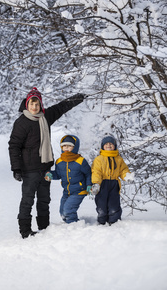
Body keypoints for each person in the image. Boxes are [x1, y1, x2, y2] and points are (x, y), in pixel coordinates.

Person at [8, 87, 86, 238]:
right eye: (32, 104)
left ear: (40, 105)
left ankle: (44, 228)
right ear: (27, 104)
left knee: (44, 199)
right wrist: (16, 169)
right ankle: (25, 231)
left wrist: (79, 97)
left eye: (37, 105)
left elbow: (62, 107)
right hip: (29, 169)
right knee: (27, 200)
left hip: (45, 168)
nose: (34, 107)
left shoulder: (45, 117)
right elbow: (14, 146)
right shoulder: (21, 122)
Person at [45, 135, 92, 224]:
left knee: (68, 210)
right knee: (62, 211)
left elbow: (88, 173)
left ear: (75, 147)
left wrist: (89, 185)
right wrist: (51, 174)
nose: (66, 148)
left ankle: (73, 226)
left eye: (69, 146)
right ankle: (68, 225)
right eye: (64, 146)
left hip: (79, 190)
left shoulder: (80, 161)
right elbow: (58, 174)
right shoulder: (59, 161)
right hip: (67, 191)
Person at [90, 134, 133, 225]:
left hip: (114, 184)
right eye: (106, 144)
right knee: (101, 203)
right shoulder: (99, 159)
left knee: (114, 203)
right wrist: (96, 183)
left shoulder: (118, 159)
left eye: (111, 144)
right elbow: (96, 172)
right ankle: (102, 220)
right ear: (102, 146)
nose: (109, 145)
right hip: (102, 184)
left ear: (115, 146)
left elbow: (123, 170)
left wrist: (127, 176)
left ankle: (114, 221)